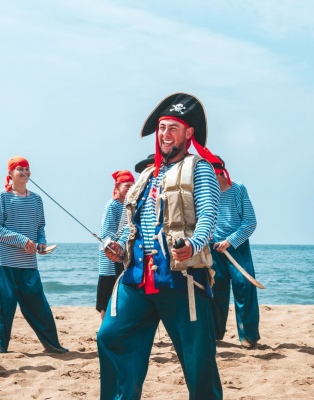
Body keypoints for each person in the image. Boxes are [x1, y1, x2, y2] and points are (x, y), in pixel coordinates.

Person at [98, 93, 223, 399]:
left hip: (181, 277)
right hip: (137, 277)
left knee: (198, 358)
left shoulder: (200, 168)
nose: (165, 134)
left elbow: (209, 215)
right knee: (111, 336)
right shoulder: (146, 175)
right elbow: (132, 225)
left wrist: (193, 244)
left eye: (173, 128)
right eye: (162, 128)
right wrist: (120, 248)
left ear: (188, 133)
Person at [0, 156, 67, 355]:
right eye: (20, 169)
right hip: (3, 262)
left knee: (38, 306)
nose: (25, 172)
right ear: (10, 174)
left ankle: (52, 344)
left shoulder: (37, 199)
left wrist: (41, 242)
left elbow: (40, 226)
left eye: (27, 169)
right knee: (0, 307)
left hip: (28, 263)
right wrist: (22, 240)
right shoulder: (2, 197)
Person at [209, 155, 260, 348]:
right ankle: (215, 335)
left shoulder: (238, 189)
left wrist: (229, 241)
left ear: (219, 172)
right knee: (215, 290)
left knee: (244, 288)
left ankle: (248, 337)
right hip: (213, 248)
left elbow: (250, 222)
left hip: (237, 247)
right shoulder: (204, 193)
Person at [97, 170, 135, 320]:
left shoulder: (129, 206)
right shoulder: (112, 205)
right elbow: (107, 233)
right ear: (117, 187)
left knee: (119, 298)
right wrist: (117, 247)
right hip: (110, 261)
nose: (130, 189)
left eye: (132, 186)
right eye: (127, 186)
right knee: (106, 300)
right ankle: (104, 327)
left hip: (122, 258)